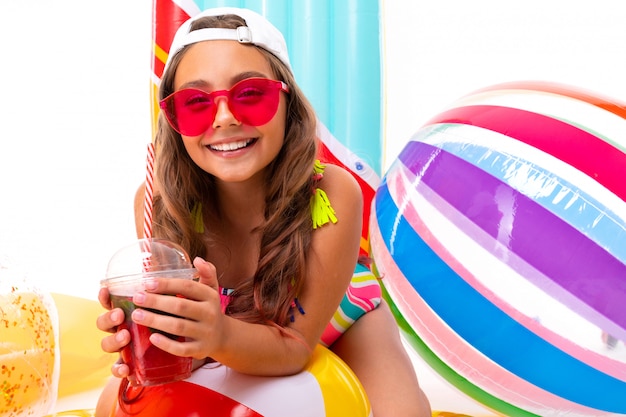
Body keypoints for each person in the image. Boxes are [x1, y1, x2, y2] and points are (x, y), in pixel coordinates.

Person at [96, 7, 430, 417]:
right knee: (109, 406)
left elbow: (294, 347)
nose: (225, 118)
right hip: (227, 330)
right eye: (196, 103)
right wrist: (156, 337)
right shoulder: (159, 205)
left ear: (287, 102)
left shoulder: (332, 192)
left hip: (332, 314)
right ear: (174, 120)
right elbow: (185, 340)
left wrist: (217, 334)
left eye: (251, 94)